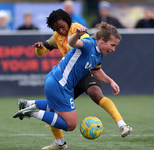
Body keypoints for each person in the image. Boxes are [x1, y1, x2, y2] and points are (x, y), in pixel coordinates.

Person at [13, 9, 132, 150]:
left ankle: (29, 105)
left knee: (57, 111)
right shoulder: (88, 43)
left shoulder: (99, 54)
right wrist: (77, 35)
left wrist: (110, 82)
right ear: (101, 40)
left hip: (58, 82)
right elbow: (73, 42)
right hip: (60, 83)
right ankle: (33, 111)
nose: (113, 49)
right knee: (70, 124)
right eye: (112, 45)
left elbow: (97, 71)